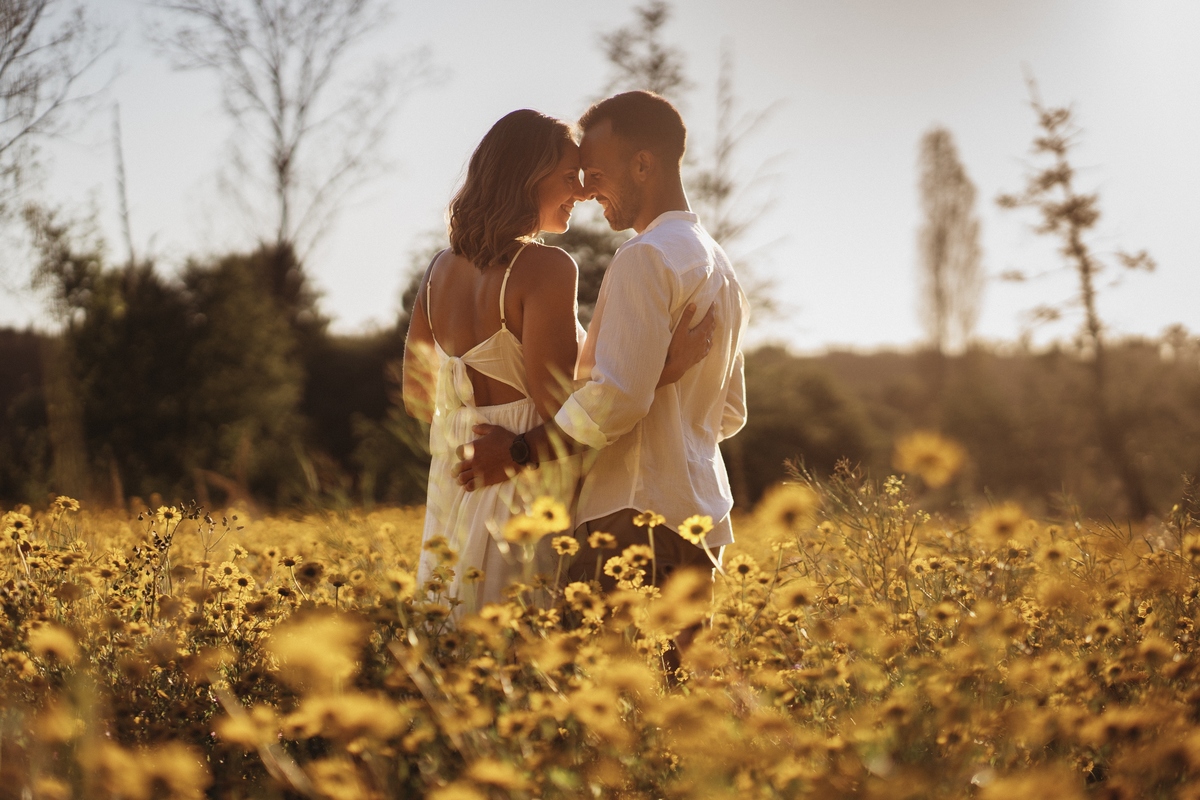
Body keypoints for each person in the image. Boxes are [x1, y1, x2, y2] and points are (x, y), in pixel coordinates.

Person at [403, 108, 713, 614]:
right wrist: (661, 369)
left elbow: (417, 395)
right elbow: (561, 406)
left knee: (453, 632)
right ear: (527, 179)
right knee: (520, 648)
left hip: (455, 481)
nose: (584, 192)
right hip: (521, 483)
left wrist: (471, 417)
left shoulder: (438, 270)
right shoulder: (546, 267)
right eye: (570, 177)